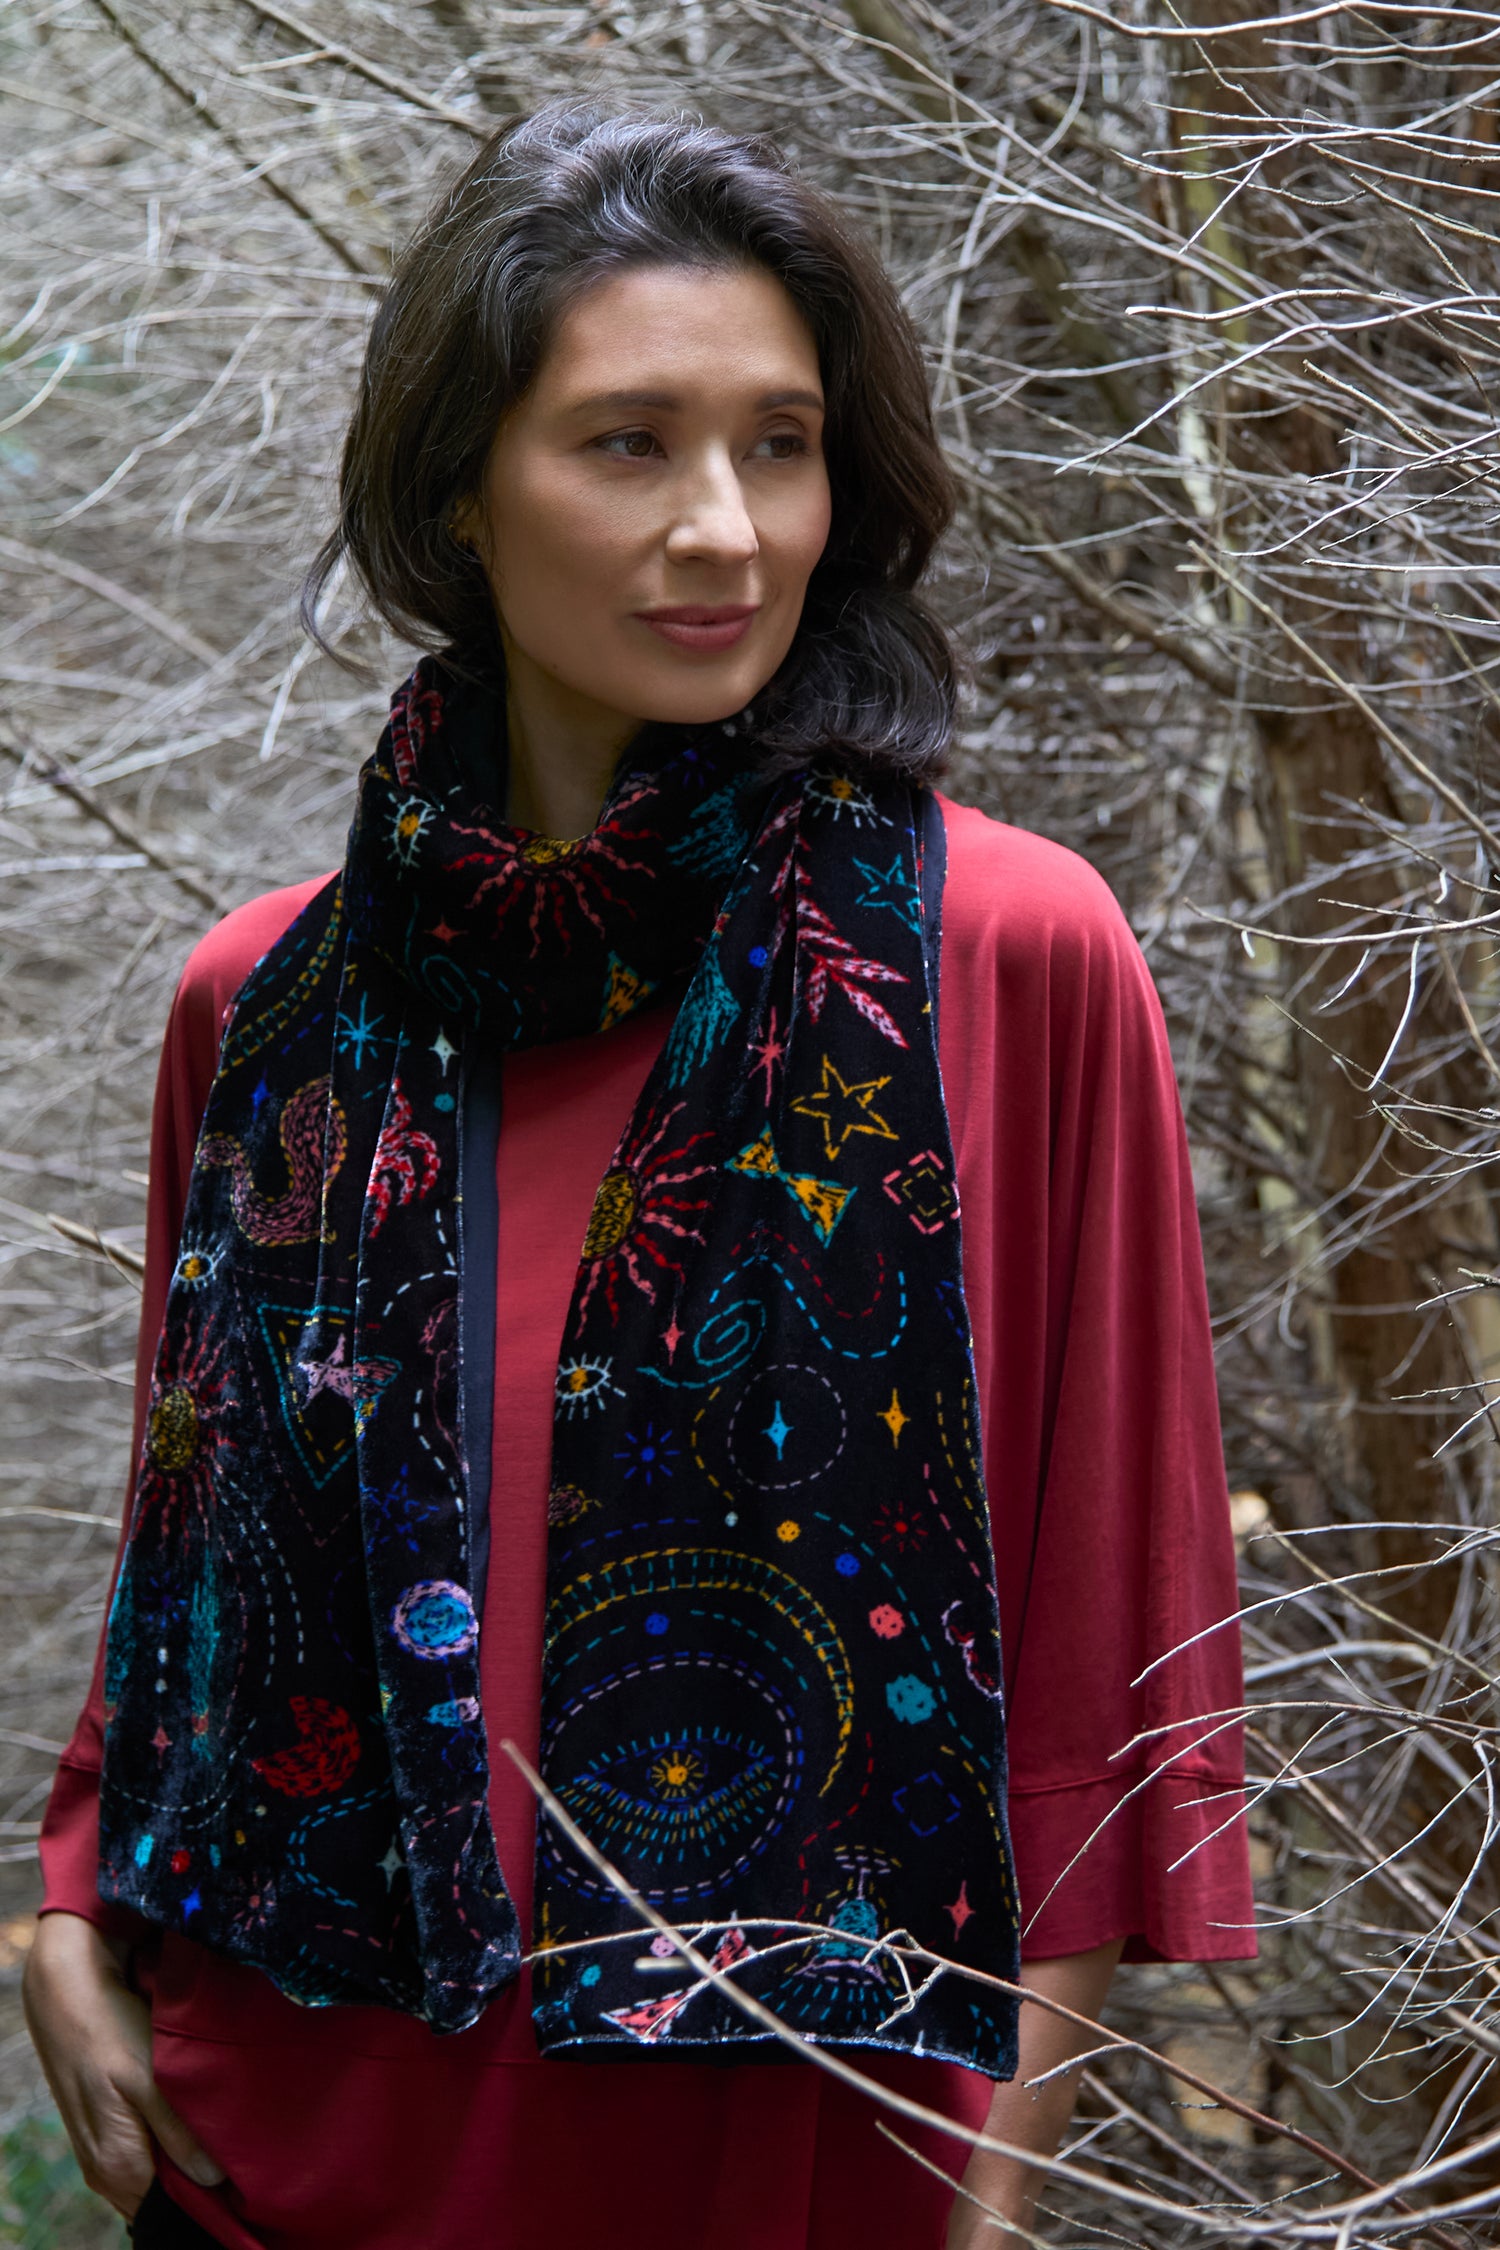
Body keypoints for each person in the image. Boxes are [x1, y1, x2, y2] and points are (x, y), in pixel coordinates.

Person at [25, 106, 1253, 2250]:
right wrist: (60, 1917)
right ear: (458, 501)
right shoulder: (269, 1003)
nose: (725, 528)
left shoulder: (1000, 956)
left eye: (779, 444)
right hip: (274, 2155)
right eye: (627, 444)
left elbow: (1114, 1638)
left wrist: (995, 2176)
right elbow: (183, 1566)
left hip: (790, 2164)